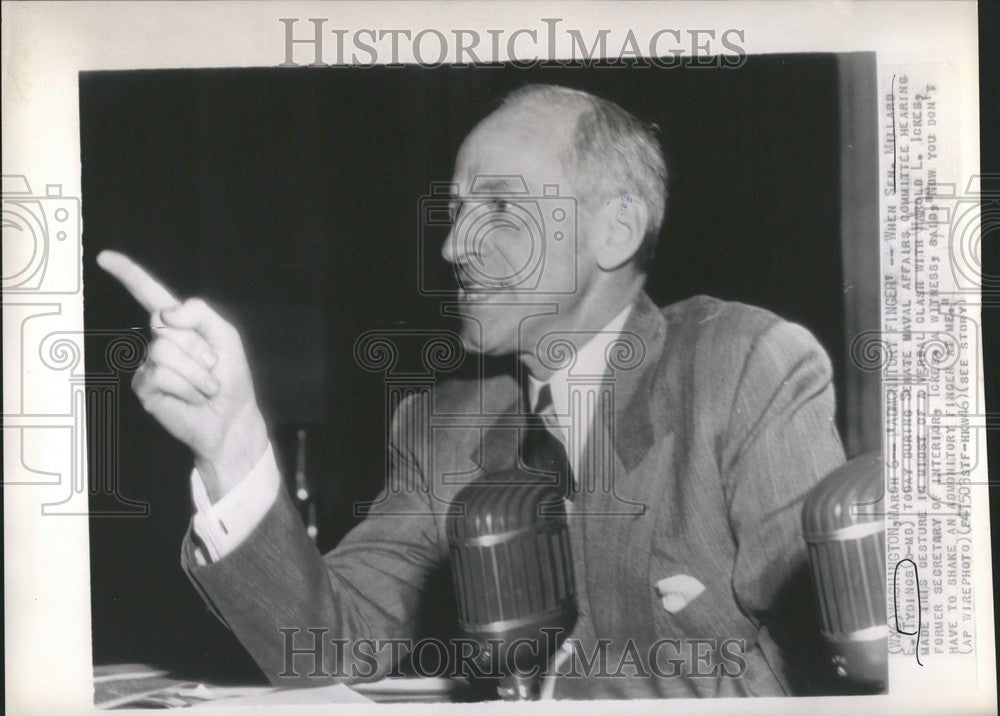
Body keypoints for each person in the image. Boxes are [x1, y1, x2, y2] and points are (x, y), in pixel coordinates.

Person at [98, 84, 845, 699]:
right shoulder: (443, 424)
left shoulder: (747, 366)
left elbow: (831, 666)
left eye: (497, 209)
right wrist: (232, 443)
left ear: (614, 232)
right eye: (456, 213)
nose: (454, 246)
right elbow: (323, 649)